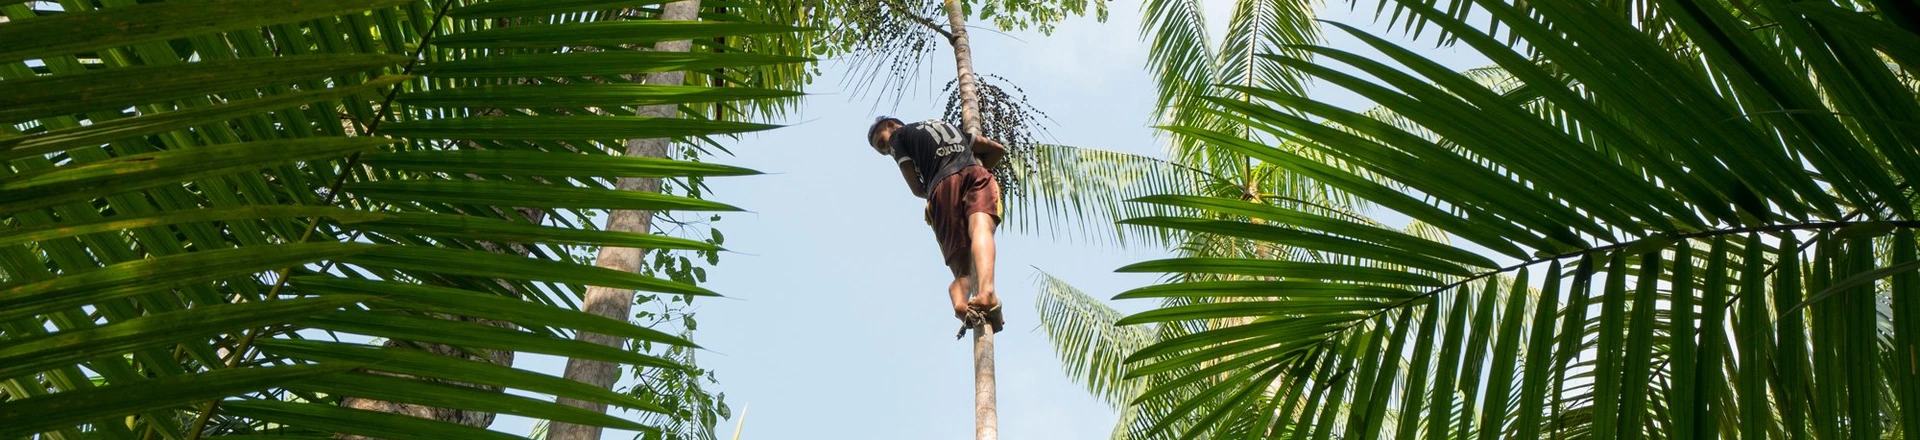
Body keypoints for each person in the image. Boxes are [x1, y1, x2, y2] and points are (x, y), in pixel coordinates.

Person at [865, 116, 1008, 331]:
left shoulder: (898, 137)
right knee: (981, 229)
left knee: (961, 270)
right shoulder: (945, 126)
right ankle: (987, 292)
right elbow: (996, 149)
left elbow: (915, 187)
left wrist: (933, 190)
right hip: (975, 172)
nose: (887, 151)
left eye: (882, 144)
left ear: (890, 126)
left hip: (941, 186)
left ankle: (961, 304)